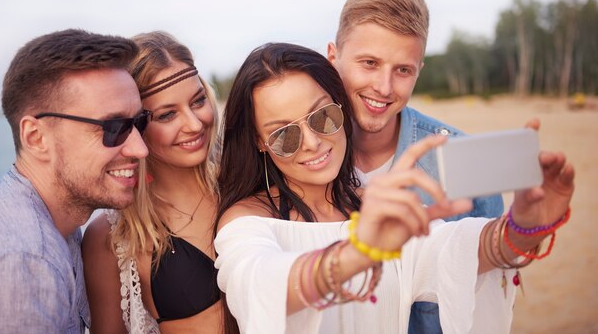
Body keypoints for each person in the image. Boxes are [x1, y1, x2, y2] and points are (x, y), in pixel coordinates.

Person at [214, 43, 574, 334]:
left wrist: (523, 227)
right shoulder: (246, 221)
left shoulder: (371, 203)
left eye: (324, 116)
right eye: (284, 135)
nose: (312, 142)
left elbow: (453, 250)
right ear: (260, 142)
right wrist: (361, 250)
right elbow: (260, 282)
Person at [327, 0, 504, 332]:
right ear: (333, 57)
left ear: (419, 70)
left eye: (403, 70)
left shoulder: (461, 160)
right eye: (369, 63)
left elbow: (485, 296)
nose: (384, 87)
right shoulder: (297, 154)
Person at [0, 29, 150, 333]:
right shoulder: (22, 264)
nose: (140, 148)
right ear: (36, 137)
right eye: (114, 127)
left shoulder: (57, 229)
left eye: (139, 122)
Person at [82, 31, 226, 334]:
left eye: (198, 101)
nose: (194, 124)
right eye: (167, 114)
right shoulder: (111, 237)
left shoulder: (242, 181)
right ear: (136, 126)